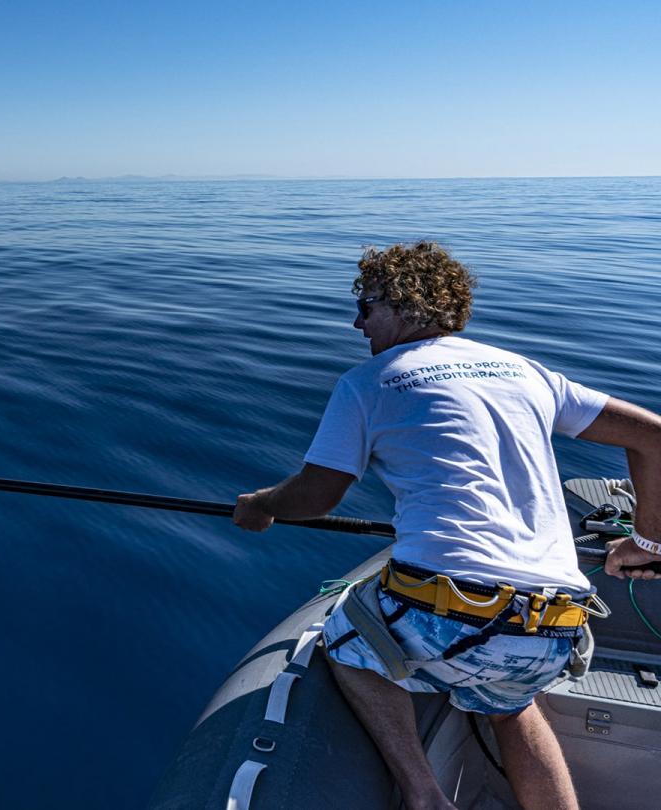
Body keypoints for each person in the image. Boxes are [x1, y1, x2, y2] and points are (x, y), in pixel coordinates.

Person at [232, 242, 661, 810]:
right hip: (555, 625)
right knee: (510, 704)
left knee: (343, 638)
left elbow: (316, 495)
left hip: (449, 614)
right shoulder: (526, 371)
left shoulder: (369, 381)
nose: (356, 321)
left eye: (366, 305)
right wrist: (648, 541)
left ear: (406, 305)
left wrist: (260, 505)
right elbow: (653, 436)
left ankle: (423, 793)